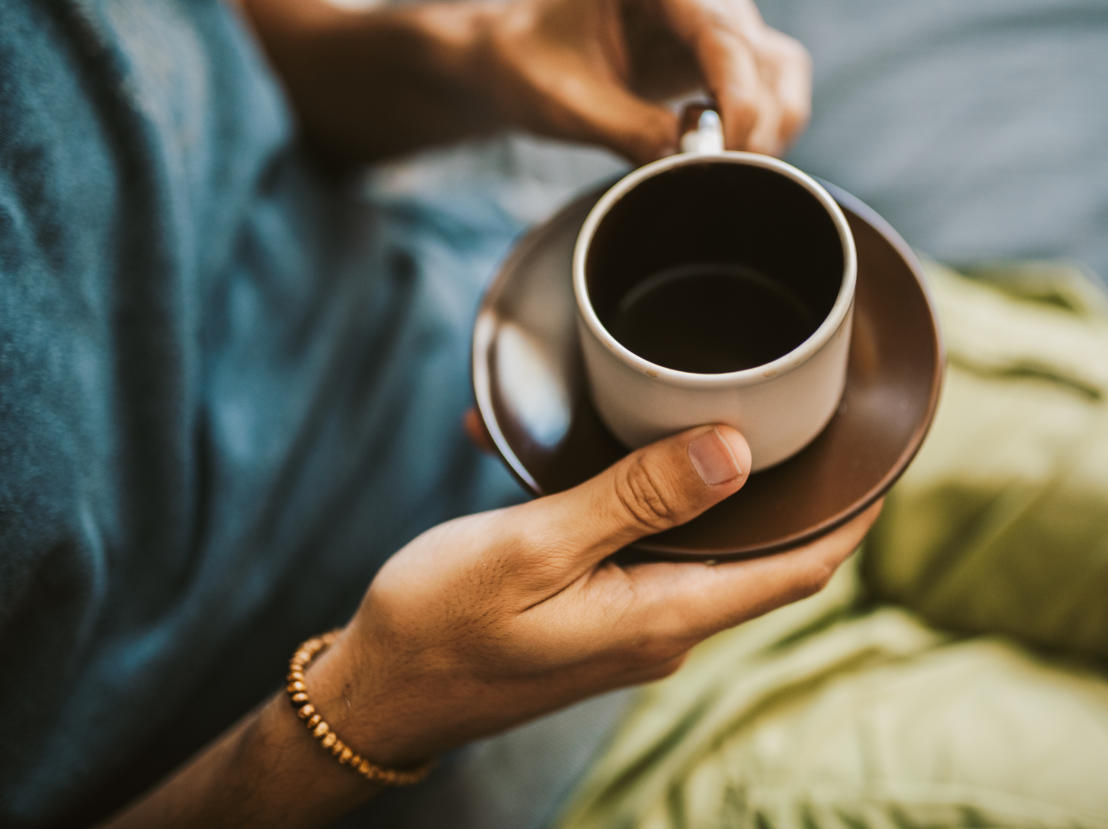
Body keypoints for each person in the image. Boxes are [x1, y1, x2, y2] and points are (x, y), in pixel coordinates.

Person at [0, 0, 875, 825]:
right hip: (503, 715)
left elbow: (234, 79)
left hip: (463, 297)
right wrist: (366, 714)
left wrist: (484, 51)